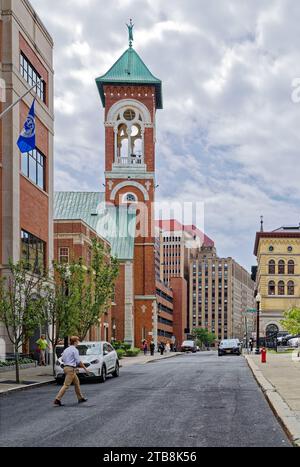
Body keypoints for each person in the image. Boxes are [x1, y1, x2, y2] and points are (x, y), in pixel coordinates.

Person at [53, 336, 89, 407]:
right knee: (66, 385)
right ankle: (57, 399)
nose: (78, 342)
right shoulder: (75, 350)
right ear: (75, 342)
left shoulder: (66, 350)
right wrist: (85, 369)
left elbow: (62, 359)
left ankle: (80, 397)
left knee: (77, 382)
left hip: (66, 368)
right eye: (78, 341)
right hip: (71, 369)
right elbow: (78, 361)